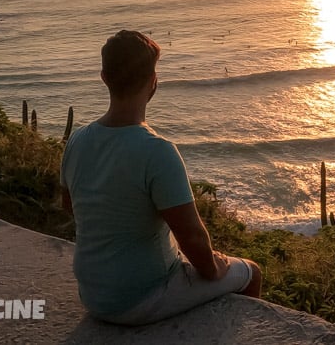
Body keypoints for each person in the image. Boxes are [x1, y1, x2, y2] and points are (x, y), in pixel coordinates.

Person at [60, 30, 262, 325]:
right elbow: (192, 238)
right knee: (251, 272)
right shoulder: (158, 152)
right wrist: (216, 268)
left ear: (104, 77)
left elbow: (70, 206)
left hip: (92, 293)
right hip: (141, 297)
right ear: (153, 81)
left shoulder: (77, 140)